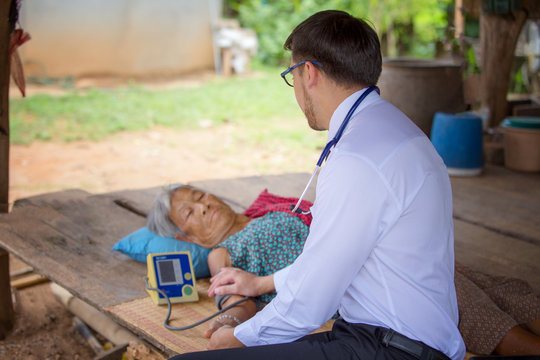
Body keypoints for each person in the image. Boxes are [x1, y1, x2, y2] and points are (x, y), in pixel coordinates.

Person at [170, 9, 466, 360]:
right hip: (391, 338)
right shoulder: (395, 130)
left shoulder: (357, 157)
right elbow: (329, 258)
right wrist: (263, 284)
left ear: (306, 72)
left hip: (391, 348)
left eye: (290, 76)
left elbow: (311, 301)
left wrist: (241, 337)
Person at [149, 186, 540, 357]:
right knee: (474, 312)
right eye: (190, 211)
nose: (202, 206)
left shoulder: (271, 207)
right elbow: (235, 293)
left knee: (506, 290)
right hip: (361, 280)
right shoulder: (222, 251)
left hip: (381, 252)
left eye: (200, 196)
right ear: (189, 236)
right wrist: (229, 325)